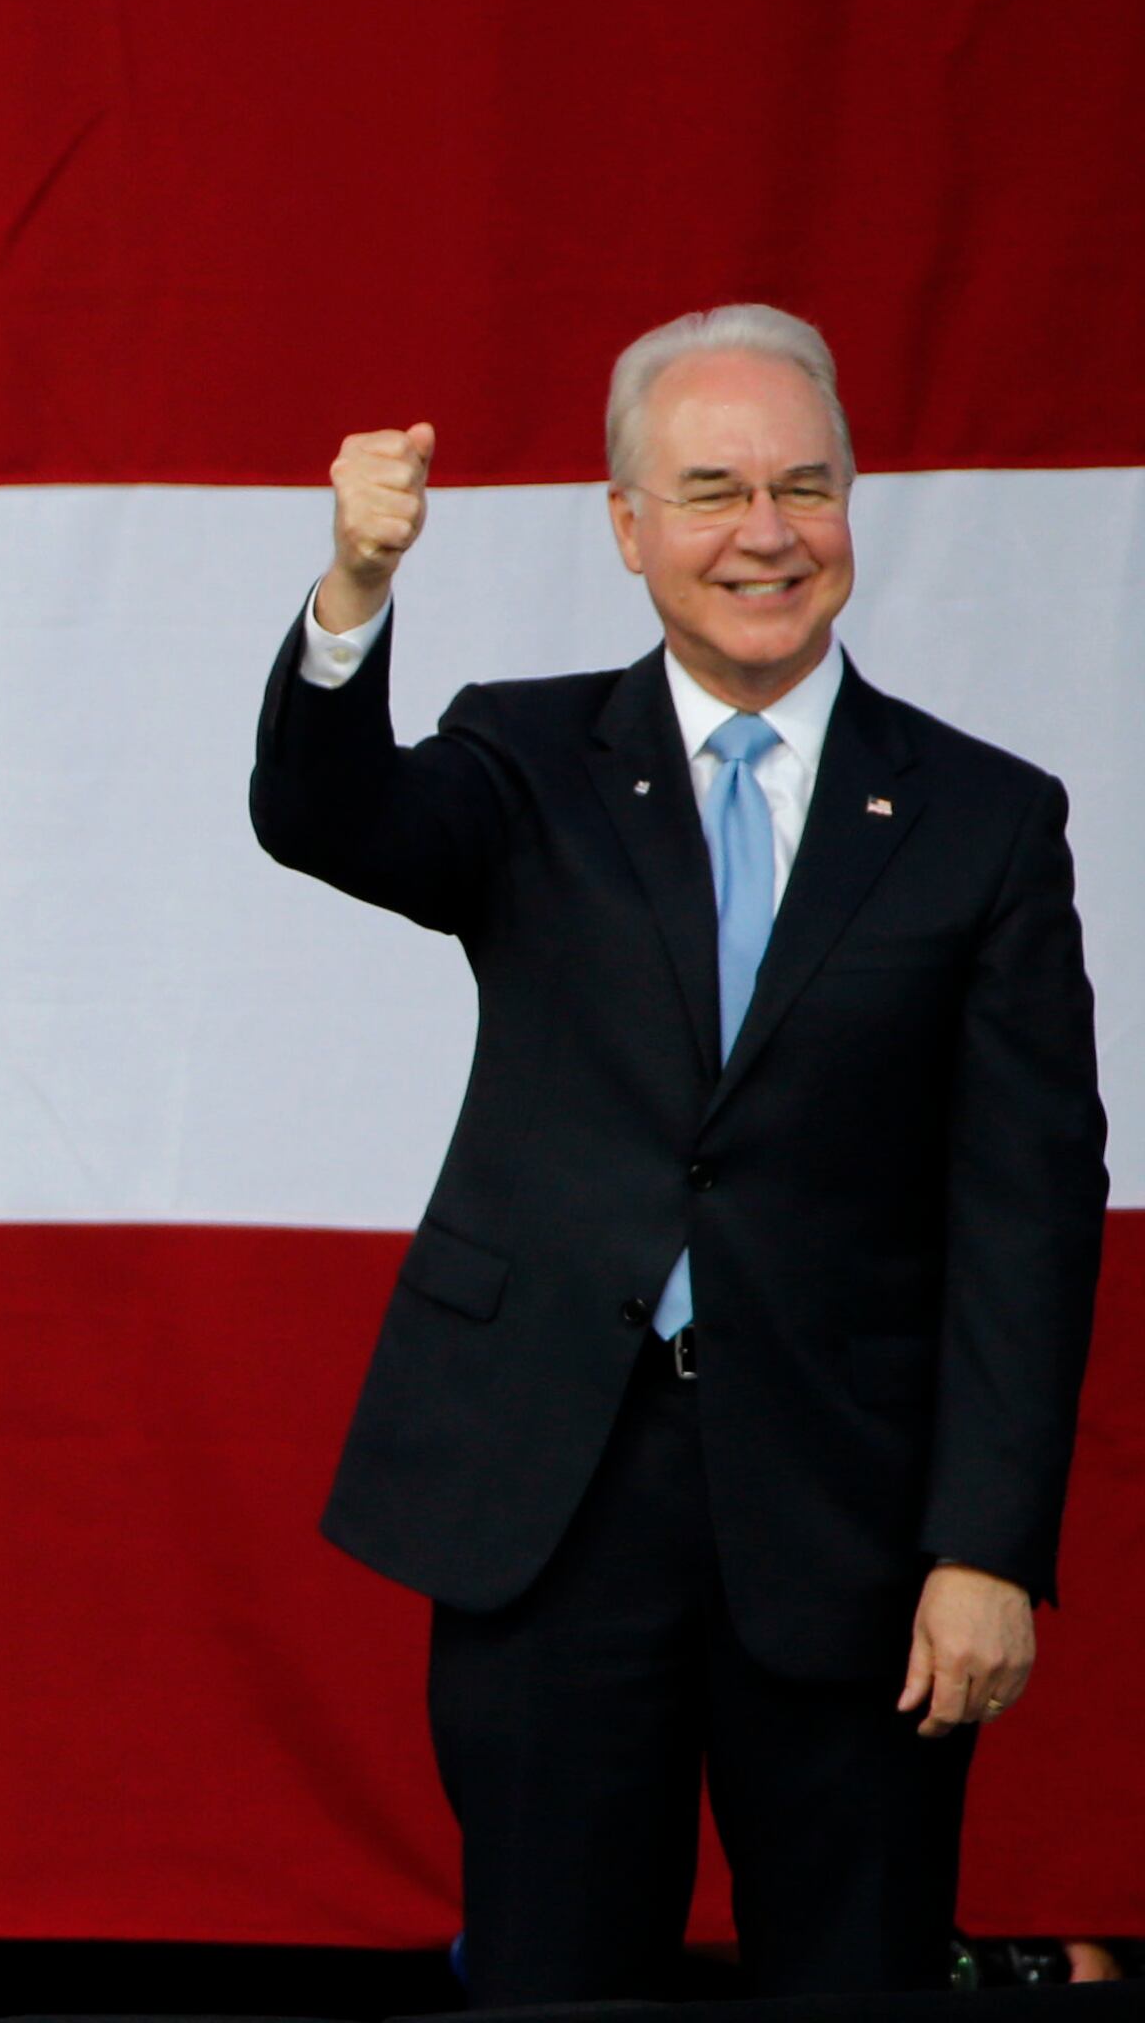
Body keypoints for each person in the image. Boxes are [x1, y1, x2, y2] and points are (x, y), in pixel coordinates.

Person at [250, 304, 1105, 2002]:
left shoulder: (986, 818)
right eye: (712, 490)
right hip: (554, 1499)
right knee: (556, 1981)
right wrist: (353, 593)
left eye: (804, 484)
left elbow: (1030, 1205)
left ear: (854, 505)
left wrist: (988, 1546)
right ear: (630, 527)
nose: (764, 533)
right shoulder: (524, 754)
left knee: (854, 1978)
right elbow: (327, 820)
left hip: (857, 1528)